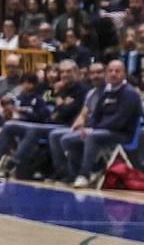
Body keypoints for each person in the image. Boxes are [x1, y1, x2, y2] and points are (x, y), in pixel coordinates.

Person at [50, 58, 142, 186]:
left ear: (124, 74)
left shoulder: (130, 94)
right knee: (67, 139)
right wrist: (88, 126)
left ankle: (84, 175)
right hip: (102, 131)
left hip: (122, 134)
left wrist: (93, 129)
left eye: (117, 71)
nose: (113, 74)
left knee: (91, 136)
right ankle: (73, 174)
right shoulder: (107, 92)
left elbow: (119, 121)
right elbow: (96, 115)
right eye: (110, 71)